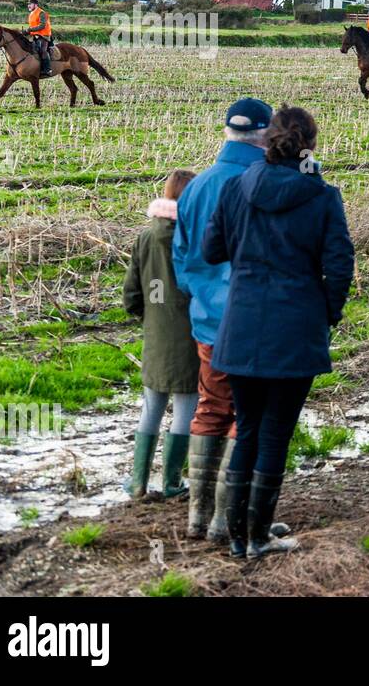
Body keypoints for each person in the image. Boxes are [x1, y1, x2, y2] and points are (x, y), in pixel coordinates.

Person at [202, 106, 354, 558]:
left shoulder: (235, 188)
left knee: (247, 430)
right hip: (295, 328)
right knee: (273, 436)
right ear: (309, 146)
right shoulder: (322, 196)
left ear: (267, 142)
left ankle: (236, 538)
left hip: (242, 325)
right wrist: (326, 313)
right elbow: (340, 265)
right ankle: (258, 535)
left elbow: (212, 250)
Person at [173, 97, 272, 540]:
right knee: (247, 417)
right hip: (255, 323)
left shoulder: (197, 186)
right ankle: (224, 520)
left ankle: (197, 516)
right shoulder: (266, 183)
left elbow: (182, 259)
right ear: (266, 134)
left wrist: (203, 299)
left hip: (209, 323)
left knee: (210, 408)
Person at [122, 169, 200, 500]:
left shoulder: (146, 236)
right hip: (190, 333)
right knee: (185, 408)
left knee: (151, 407)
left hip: (155, 332)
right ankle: (171, 483)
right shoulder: (196, 236)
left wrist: (149, 316)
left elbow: (133, 292)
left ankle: (138, 483)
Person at [26, 0, 53, 76]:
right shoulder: (31, 14)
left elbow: (42, 25)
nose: (29, 6)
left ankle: (48, 70)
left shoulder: (41, 13)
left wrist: (29, 30)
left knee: (42, 50)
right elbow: (33, 26)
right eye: (28, 4)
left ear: (35, 5)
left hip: (44, 35)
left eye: (30, 4)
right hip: (34, 35)